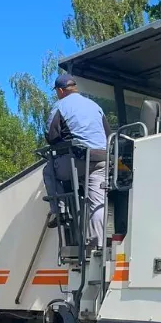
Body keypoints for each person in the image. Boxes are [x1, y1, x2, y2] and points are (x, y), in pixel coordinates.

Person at [41, 74, 111, 249]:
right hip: (102, 159)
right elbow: (108, 134)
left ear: (60, 90)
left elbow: (51, 136)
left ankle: (60, 212)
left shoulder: (60, 106)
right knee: (97, 204)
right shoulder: (95, 106)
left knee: (49, 170)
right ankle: (96, 246)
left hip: (78, 159)